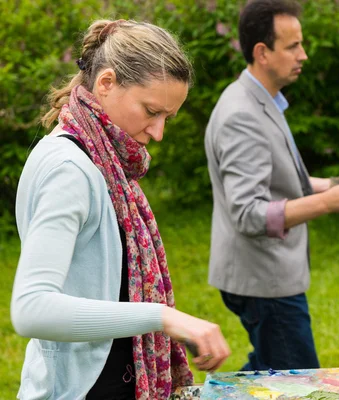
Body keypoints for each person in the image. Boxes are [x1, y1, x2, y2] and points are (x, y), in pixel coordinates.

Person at [10, 19, 230, 400]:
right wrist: (162, 316)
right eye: (151, 111)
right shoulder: (70, 169)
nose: (158, 133)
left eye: (168, 118)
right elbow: (32, 308)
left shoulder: (102, 159)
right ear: (106, 83)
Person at [204, 0, 339, 371]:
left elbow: (274, 179)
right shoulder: (241, 116)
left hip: (265, 278)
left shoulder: (262, 101)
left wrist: (334, 184)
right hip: (262, 282)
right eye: (293, 46)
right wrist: (328, 202)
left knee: (271, 369)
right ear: (262, 53)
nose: (304, 55)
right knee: (299, 383)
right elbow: (248, 214)